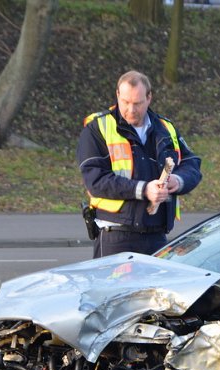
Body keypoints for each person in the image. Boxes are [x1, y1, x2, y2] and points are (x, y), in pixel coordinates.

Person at [77, 70, 202, 258]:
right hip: (116, 235)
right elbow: (96, 181)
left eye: (137, 103)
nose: (130, 110)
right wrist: (144, 190)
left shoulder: (165, 128)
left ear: (149, 97)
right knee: (113, 289)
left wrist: (178, 180)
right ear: (117, 95)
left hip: (156, 235)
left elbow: (191, 163)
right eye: (125, 102)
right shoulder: (97, 128)